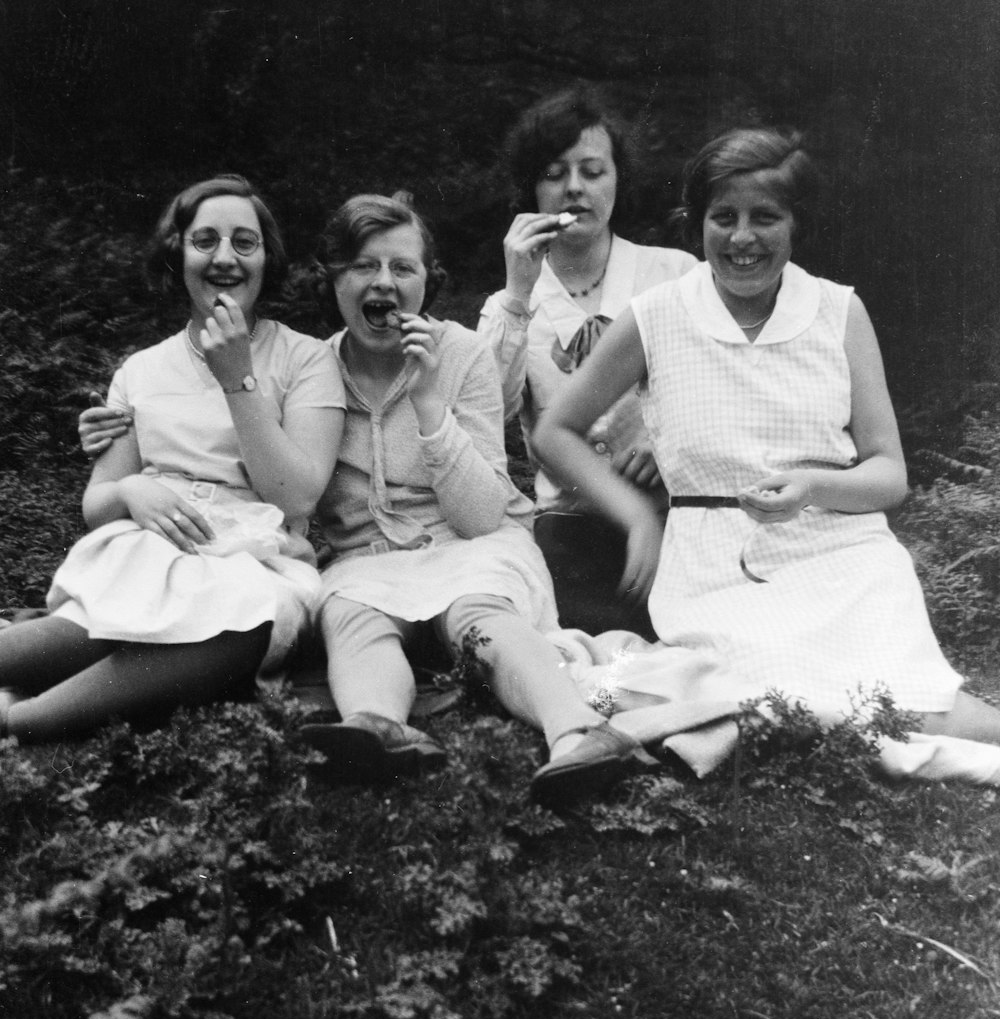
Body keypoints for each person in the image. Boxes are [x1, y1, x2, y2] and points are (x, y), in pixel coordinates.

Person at [531, 126, 1000, 785]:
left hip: (845, 560)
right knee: (795, 697)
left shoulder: (839, 312)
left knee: (914, 706)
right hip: (715, 567)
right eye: (724, 217)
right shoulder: (659, 315)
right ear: (697, 224)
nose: (742, 238)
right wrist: (637, 517)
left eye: (765, 217)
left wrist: (811, 485)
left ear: (795, 223)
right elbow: (555, 430)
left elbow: (888, 472)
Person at [297, 192, 633, 806]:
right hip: (367, 561)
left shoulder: (461, 354)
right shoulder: (309, 369)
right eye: (364, 267)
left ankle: (580, 731)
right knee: (351, 616)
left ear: (429, 281)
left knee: (480, 616)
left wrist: (429, 406)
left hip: (472, 547)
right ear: (334, 280)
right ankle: (378, 727)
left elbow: (481, 515)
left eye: (403, 268)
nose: (384, 284)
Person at [14, 173, 344, 744]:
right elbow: (99, 502)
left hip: (258, 563)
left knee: (246, 626)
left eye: (245, 242)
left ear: (268, 258)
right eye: (205, 241)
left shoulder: (306, 359)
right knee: (70, 637)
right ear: (178, 254)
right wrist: (129, 492)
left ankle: (19, 718)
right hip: (151, 555)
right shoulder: (141, 370)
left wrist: (238, 375)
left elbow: (298, 496)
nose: (225, 258)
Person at [478, 87, 695, 632]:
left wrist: (666, 438)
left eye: (593, 171)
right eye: (553, 174)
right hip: (571, 527)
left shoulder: (674, 274)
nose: (574, 187)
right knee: (590, 651)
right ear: (530, 189)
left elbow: (726, 385)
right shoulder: (511, 305)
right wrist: (517, 295)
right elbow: (486, 415)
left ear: (618, 178)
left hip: (678, 516)